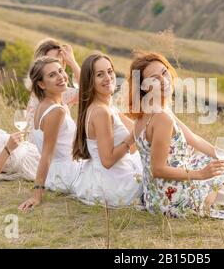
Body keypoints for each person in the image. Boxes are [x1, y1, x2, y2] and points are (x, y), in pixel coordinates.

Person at [128, 51, 224, 220]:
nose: (164, 81)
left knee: (215, 158)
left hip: (155, 199)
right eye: (154, 79)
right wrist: (201, 174)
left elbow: (193, 139)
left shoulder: (147, 112)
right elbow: (158, 170)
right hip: (172, 201)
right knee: (213, 163)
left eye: (164, 72)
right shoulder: (161, 118)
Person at [72, 52, 142, 207]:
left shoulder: (105, 106)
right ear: (90, 81)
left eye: (110, 71)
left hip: (106, 178)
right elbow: (108, 160)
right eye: (100, 74)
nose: (108, 77)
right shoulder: (100, 112)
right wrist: (130, 140)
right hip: (114, 185)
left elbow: (138, 129)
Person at [19, 57, 82, 211]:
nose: (61, 77)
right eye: (52, 75)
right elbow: (47, 154)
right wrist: (37, 195)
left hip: (57, 174)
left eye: (61, 71)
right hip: (68, 174)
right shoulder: (56, 111)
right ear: (41, 84)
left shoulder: (43, 106)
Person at [25, 38, 81, 144]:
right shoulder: (46, 95)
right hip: (40, 153)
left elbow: (90, 91)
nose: (54, 65)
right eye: (50, 61)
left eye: (59, 62)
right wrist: (73, 63)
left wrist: (72, 61)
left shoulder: (57, 92)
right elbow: (90, 91)